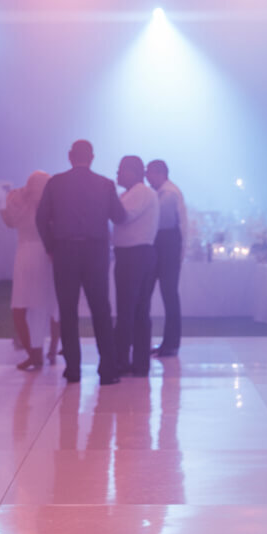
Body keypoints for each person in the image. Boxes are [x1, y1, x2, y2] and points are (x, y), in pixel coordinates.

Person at [36, 139, 126, 385]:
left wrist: (51, 247)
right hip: (96, 251)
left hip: (64, 251)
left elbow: (41, 218)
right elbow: (119, 216)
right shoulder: (105, 184)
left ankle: (73, 370)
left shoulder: (55, 183)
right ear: (93, 157)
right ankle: (108, 369)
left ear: (69, 156)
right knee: (101, 310)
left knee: (68, 311)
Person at [2, 171, 60, 371]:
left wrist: (8, 200)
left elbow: (9, 221)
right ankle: (51, 349)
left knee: (20, 306)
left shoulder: (20, 201)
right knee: (51, 304)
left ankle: (33, 354)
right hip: (47, 254)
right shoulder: (52, 205)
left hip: (26, 254)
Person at [113, 155, 159, 377]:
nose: (117, 174)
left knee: (129, 311)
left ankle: (123, 361)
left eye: (121, 170)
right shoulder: (135, 193)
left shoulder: (139, 192)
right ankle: (139, 363)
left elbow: (122, 216)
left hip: (134, 256)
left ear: (132, 172)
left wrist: (105, 199)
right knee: (137, 310)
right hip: (139, 255)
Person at [145, 159, 188, 357]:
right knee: (168, 295)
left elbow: (160, 221)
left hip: (166, 245)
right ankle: (169, 343)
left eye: (149, 173)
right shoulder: (165, 192)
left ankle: (170, 344)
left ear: (159, 173)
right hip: (167, 245)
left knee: (169, 295)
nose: (146, 177)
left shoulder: (168, 194)